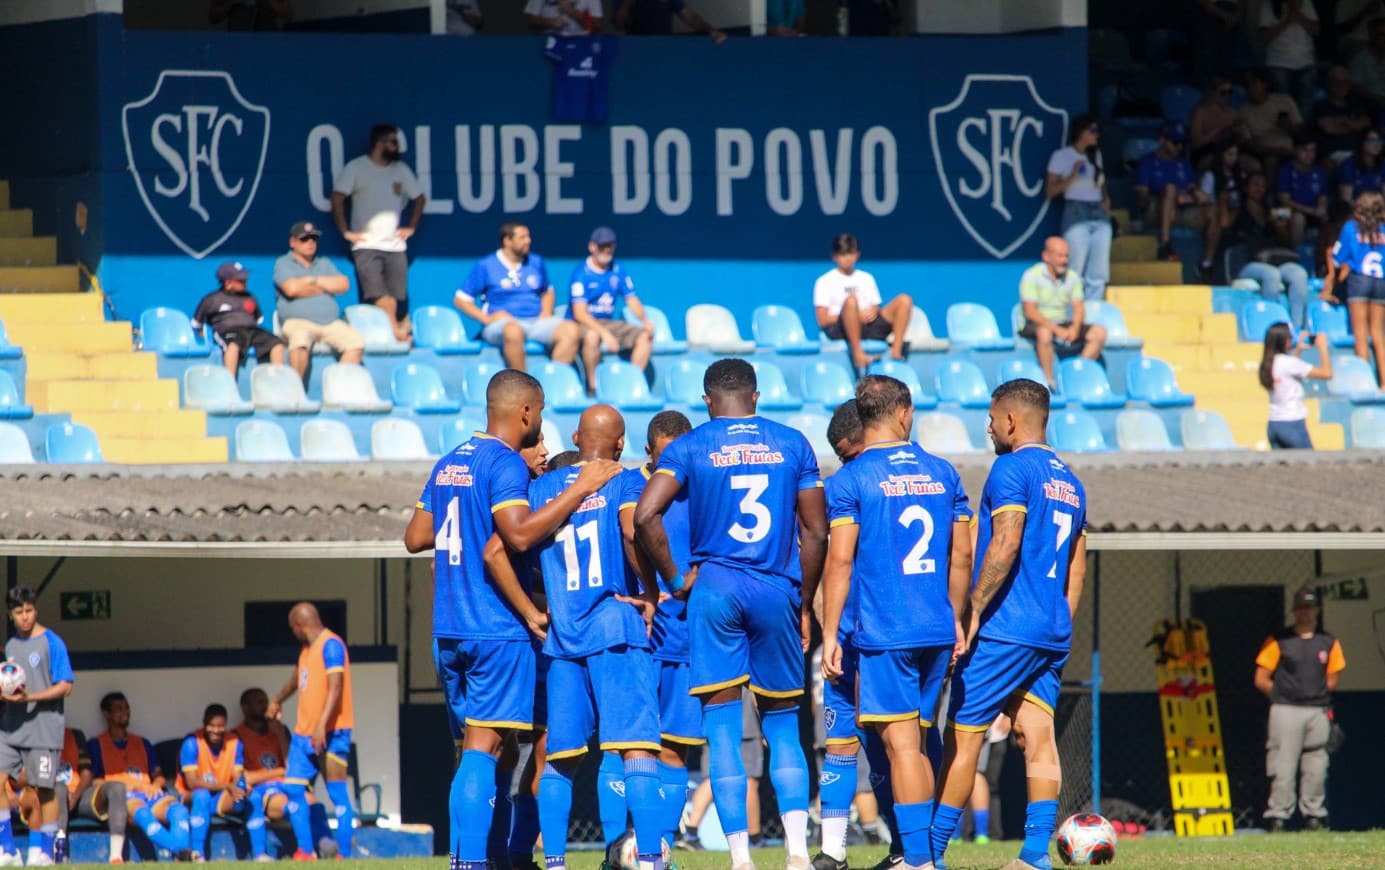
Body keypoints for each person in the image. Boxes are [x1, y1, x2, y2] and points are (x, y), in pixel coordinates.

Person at [403, 369, 622, 870]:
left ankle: (492, 858)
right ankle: (472, 864)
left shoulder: (449, 460)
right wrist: (582, 486)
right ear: (525, 411)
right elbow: (516, 538)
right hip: (494, 627)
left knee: (481, 749)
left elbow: (416, 536)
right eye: (541, 412)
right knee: (486, 747)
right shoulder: (504, 464)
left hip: (449, 627)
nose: (540, 422)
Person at [635, 358, 828, 870]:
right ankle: (796, 855)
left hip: (715, 589)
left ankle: (740, 861)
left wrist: (676, 581)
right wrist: (803, 602)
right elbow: (815, 531)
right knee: (783, 725)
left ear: (706, 401)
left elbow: (644, 514)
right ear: (756, 396)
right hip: (775, 591)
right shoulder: (793, 442)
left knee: (721, 729)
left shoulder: (690, 446)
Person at [489, 404, 666, 870]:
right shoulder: (625, 479)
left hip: (564, 638)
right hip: (615, 628)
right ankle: (650, 859)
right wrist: (649, 589)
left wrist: (531, 610)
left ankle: (555, 864)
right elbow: (632, 532)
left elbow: (499, 550)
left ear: (574, 436)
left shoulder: (540, 487)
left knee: (560, 761)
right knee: (637, 749)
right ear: (621, 444)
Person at [929, 378, 1088, 870]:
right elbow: (1077, 566)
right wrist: (1059, 621)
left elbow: (1005, 542)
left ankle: (927, 855)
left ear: (1012, 420)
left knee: (964, 735)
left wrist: (972, 608)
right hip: (1050, 627)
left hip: (1004, 626)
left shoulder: (1011, 468)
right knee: (1038, 733)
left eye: (994, 418)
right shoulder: (1072, 482)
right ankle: (1035, 854)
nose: (991, 427)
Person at [821, 376, 973, 870]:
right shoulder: (944, 472)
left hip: (886, 630)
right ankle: (923, 854)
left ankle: (918, 860)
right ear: (904, 412)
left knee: (900, 745)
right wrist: (956, 618)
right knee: (922, 741)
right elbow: (962, 556)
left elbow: (839, 562)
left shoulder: (849, 480)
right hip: (935, 626)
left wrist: (828, 634)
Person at [812, 401, 900, 870]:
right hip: (844, 640)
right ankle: (832, 851)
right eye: (842, 459)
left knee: (891, 744)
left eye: (850, 454)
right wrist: (828, 630)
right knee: (839, 744)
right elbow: (829, 564)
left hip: (886, 640)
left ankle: (910, 847)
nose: (848, 466)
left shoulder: (889, 489)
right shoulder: (841, 490)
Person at [266, 602, 356, 859]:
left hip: (333, 732)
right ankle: (305, 850)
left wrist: (321, 725)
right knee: (294, 788)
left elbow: (335, 687)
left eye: (292, 628)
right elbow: (297, 678)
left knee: (337, 793)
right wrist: (277, 700)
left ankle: (345, 855)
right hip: (303, 735)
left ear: (299, 625)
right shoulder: (307, 650)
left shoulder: (332, 645)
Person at [1254, 585, 1345, 832]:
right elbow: (1261, 677)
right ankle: (1278, 816)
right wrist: (1281, 696)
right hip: (1286, 709)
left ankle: (1313, 815)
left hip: (1317, 710)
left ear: (1317, 610)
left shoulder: (1328, 641)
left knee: (1316, 765)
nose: (1306, 613)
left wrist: (1317, 697)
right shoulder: (1280, 640)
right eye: (1301, 608)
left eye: (1310, 608)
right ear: (1294, 611)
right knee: (1283, 764)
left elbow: (1333, 678)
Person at [0, 587, 74, 866]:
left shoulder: (52, 642)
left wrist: (31, 697)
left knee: (43, 790)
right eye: (19, 612)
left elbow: (66, 686)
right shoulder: (10, 646)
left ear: (36, 610)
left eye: (29, 610)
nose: (25, 617)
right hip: (10, 729)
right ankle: (7, 850)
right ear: (11, 614)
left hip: (43, 730)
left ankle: (42, 852)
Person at [330, 123, 424, 342]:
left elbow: (419, 198)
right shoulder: (357, 168)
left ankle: (395, 329)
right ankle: (394, 332)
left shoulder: (400, 170)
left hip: (395, 246)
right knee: (379, 295)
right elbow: (337, 196)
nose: (397, 147)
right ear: (379, 143)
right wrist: (345, 231)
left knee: (395, 297)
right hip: (366, 244)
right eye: (392, 142)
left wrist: (411, 227)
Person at [455, 222, 582, 373]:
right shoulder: (486, 265)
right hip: (503, 325)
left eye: (528, 236)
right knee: (513, 330)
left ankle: (552, 383)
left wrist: (546, 313)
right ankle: (523, 387)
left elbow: (547, 291)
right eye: (522, 237)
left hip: (536, 322)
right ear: (507, 241)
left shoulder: (535, 262)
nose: (528, 241)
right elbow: (461, 299)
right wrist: (486, 319)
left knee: (571, 330)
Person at [87, 693, 192, 861]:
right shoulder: (96, 744)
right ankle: (182, 851)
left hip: (150, 793)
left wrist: (156, 785)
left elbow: (158, 776)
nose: (125, 712)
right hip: (124, 797)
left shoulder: (143, 743)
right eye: (119, 709)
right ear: (106, 714)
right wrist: (129, 786)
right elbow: (96, 781)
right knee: (143, 814)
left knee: (179, 810)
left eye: (127, 708)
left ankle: (181, 856)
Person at [272, 219, 366, 382]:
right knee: (300, 339)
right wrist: (325, 286)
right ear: (293, 242)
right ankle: (296, 391)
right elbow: (291, 289)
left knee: (356, 341)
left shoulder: (324, 262)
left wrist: (311, 280)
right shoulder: (283, 263)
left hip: (330, 323)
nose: (310, 243)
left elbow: (343, 285)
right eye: (304, 239)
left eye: (313, 239)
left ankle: (339, 387)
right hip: (298, 322)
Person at [235, 687, 321, 862]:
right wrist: (278, 772)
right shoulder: (236, 736)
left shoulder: (280, 730)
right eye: (259, 702)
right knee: (293, 804)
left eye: (265, 701)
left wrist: (280, 734)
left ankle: (324, 844)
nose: (264, 706)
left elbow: (292, 768)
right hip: (261, 791)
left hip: (286, 785)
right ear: (245, 707)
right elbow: (243, 778)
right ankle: (306, 850)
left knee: (312, 802)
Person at [567, 227, 656, 395]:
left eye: (610, 245)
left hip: (608, 322)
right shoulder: (581, 273)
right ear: (592, 247)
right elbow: (579, 314)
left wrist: (645, 320)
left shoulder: (618, 269)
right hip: (582, 323)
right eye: (602, 246)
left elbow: (632, 299)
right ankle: (593, 388)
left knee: (645, 336)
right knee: (593, 337)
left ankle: (630, 385)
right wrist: (604, 334)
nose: (607, 250)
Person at [1017, 237, 1108, 391]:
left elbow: (1078, 308)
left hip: (1061, 321)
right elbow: (1030, 311)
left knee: (1099, 333)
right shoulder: (1032, 275)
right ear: (1046, 256)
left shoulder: (1072, 277)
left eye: (1066, 256)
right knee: (1044, 333)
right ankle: (1048, 382)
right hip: (1036, 323)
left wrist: (1074, 328)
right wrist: (1056, 330)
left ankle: (1077, 374)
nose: (1064, 260)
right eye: (1060, 256)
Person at [812, 233, 913, 370]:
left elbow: (876, 306)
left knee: (904, 300)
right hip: (841, 329)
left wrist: (873, 311)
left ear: (857, 254)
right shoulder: (824, 281)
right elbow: (823, 320)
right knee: (851, 301)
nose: (847, 258)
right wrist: (854, 316)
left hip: (869, 326)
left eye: (851, 253)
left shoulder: (867, 278)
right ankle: (858, 354)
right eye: (843, 254)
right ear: (834, 257)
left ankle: (896, 351)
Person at [1230, 172, 1312, 326]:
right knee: (1271, 274)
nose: (1259, 189)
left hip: (1273, 259)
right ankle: (1271, 325)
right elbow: (1225, 225)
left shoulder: (1271, 210)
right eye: (1255, 184)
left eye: (1262, 186)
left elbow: (1284, 241)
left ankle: (1296, 328)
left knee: (1299, 274)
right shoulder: (1238, 209)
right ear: (1246, 188)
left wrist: (1280, 229)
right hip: (1247, 262)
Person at [1046, 115, 1112, 301]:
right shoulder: (1062, 156)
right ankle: (1072, 317)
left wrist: (1106, 198)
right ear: (1081, 132)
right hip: (1076, 210)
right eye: (1093, 131)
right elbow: (1050, 191)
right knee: (1075, 269)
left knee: (1098, 272)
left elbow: (1101, 183)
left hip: (1098, 211)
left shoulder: (1096, 155)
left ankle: (1092, 316)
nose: (1096, 135)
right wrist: (1072, 175)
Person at [1326, 190, 1385, 384]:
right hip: (1380, 281)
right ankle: (1384, 383)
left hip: (1359, 281)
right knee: (1378, 333)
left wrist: (1330, 285)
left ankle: (1365, 382)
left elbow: (1336, 258)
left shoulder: (1351, 227)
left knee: (1361, 334)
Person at [176, 704, 245, 863]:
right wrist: (227, 786)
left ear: (226, 725)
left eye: (220, 726)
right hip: (189, 797)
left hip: (220, 797)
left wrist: (236, 787)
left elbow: (237, 775)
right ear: (204, 724)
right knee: (202, 796)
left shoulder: (234, 742)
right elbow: (192, 783)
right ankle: (198, 854)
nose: (216, 730)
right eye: (211, 725)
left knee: (249, 796)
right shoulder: (192, 742)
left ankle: (259, 853)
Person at [191, 261, 286, 376]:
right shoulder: (211, 299)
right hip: (228, 332)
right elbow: (197, 324)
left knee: (277, 343)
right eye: (240, 280)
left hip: (252, 331)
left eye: (245, 279)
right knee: (233, 345)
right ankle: (229, 383)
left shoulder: (249, 297)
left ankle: (280, 381)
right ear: (228, 283)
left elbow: (258, 319)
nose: (245, 282)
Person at [1135, 121, 1211, 262]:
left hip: (1182, 211)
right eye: (1175, 142)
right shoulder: (1147, 162)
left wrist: (1195, 195)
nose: (1179, 147)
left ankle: (1208, 263)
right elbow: (1142, 198)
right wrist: (1168, 195)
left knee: (1212, 210)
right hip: (1155, 211)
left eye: (1182, 143)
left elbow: (1192, 188)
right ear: (1162, 140)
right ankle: (1164, 246)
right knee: (1170, 189)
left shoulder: (1183, 163)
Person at [1258, 323, 1333, 449]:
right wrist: (1322, 348)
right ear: (1284, 341)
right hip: (1292, 423)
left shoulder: (1268, 363)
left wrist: (1298, 350)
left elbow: (1290, 372)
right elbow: (1327, 373)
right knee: (1308, 465)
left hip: (1274, 423)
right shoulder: (1288, 363)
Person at [1258, 0, 1320, 117]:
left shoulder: (1306, 3)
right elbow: (1264, 36)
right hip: (1278, 63)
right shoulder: (1269, 4)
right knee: (1283, 106)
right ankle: (1285, 134)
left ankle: (1302, 133)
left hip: (1306, 62)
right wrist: (1287, 20)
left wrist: (1297, 13)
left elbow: (1316, 30)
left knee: (1305, 105)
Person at [1239, 67, 1304, 174]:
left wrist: (1289, 127)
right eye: (1247, 84)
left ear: (1265, 84)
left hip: (1290, 149)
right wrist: (1274, 150)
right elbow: (1249, 145)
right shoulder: (1242, 111)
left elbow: (1301, 131)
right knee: (1271, 160)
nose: (1250, 88)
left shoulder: (1284, 100)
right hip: (1265, 152)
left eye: (1254, 83)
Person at [1277, 132, 1330, 247]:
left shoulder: (1319, 170)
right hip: (1282, 213)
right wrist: (1311, 211)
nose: (1309, 154)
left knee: (1329, 215)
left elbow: (1323, 196)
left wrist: (1321, 208)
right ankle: (1298, 256)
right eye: (1304, 150)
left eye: (1312, 150)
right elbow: (1284, 200)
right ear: (1296, 150)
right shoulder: (1285, 170)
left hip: (1312, 211)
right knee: (1298, 218)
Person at [1312, 66, 1371, 165]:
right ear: (1329, 84)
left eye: (1345, 82)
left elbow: (1366, 124)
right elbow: (1329, 128)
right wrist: (1354, 124)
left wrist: (1342, 121)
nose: (1341, 85)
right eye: (1337, 82)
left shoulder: (1356, 104)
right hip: (1332, 154)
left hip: (1357, 153)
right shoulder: (1321, 106)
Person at [1189, 78, 1251, 165]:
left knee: (1253, 164)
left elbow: (1244, 140)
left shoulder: (1234, 112)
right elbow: (1196, 143)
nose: (1227, 95)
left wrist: (1243, 133)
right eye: (1223, 92)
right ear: (1213, 93)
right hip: (1207, 152)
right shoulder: (1200, 112)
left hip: (1231, 151)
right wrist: (1217, 130)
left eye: (1230, 92)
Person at [614, 0, 726, 41]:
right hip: (638, 49)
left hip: (664, 48)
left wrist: (710, 30)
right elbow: (618, 23)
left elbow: (690, 17)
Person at [1335, 128, 1384, 202]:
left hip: (1378, 209)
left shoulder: (1383, 164)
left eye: (1379, 141)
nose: (1377, 145)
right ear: (1362, 143)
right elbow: (1346, 201)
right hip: (1355, 210)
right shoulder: (1348, 166)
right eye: (1372, 141)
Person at [1350, 19, 1385, 109]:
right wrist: (1378, 98)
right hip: (1370, 104)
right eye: (1382, 34)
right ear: (1373, 35)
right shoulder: (1359, 58)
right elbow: (1355, 87)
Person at [524, 0, 602, 34]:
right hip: (548, 38)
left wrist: (572, 12)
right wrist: (550, 22)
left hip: (579, 40)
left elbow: (597, 25)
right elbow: (532, 19)